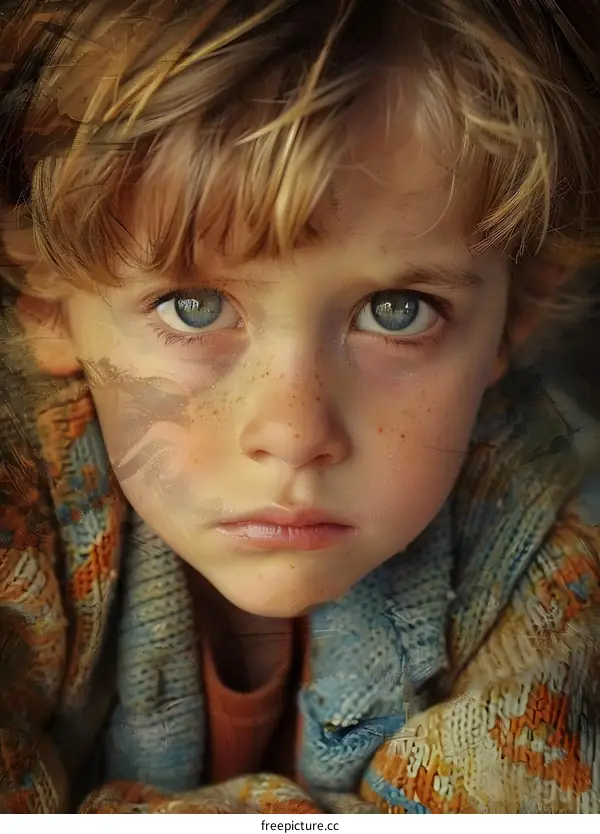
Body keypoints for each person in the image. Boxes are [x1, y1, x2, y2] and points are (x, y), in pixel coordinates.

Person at [1, 0, 600, 814]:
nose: (293, 434)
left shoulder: (559, 537)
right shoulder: (18, 495)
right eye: (195, 308)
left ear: (514, 315)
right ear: (50, 303)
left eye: (397, 311)